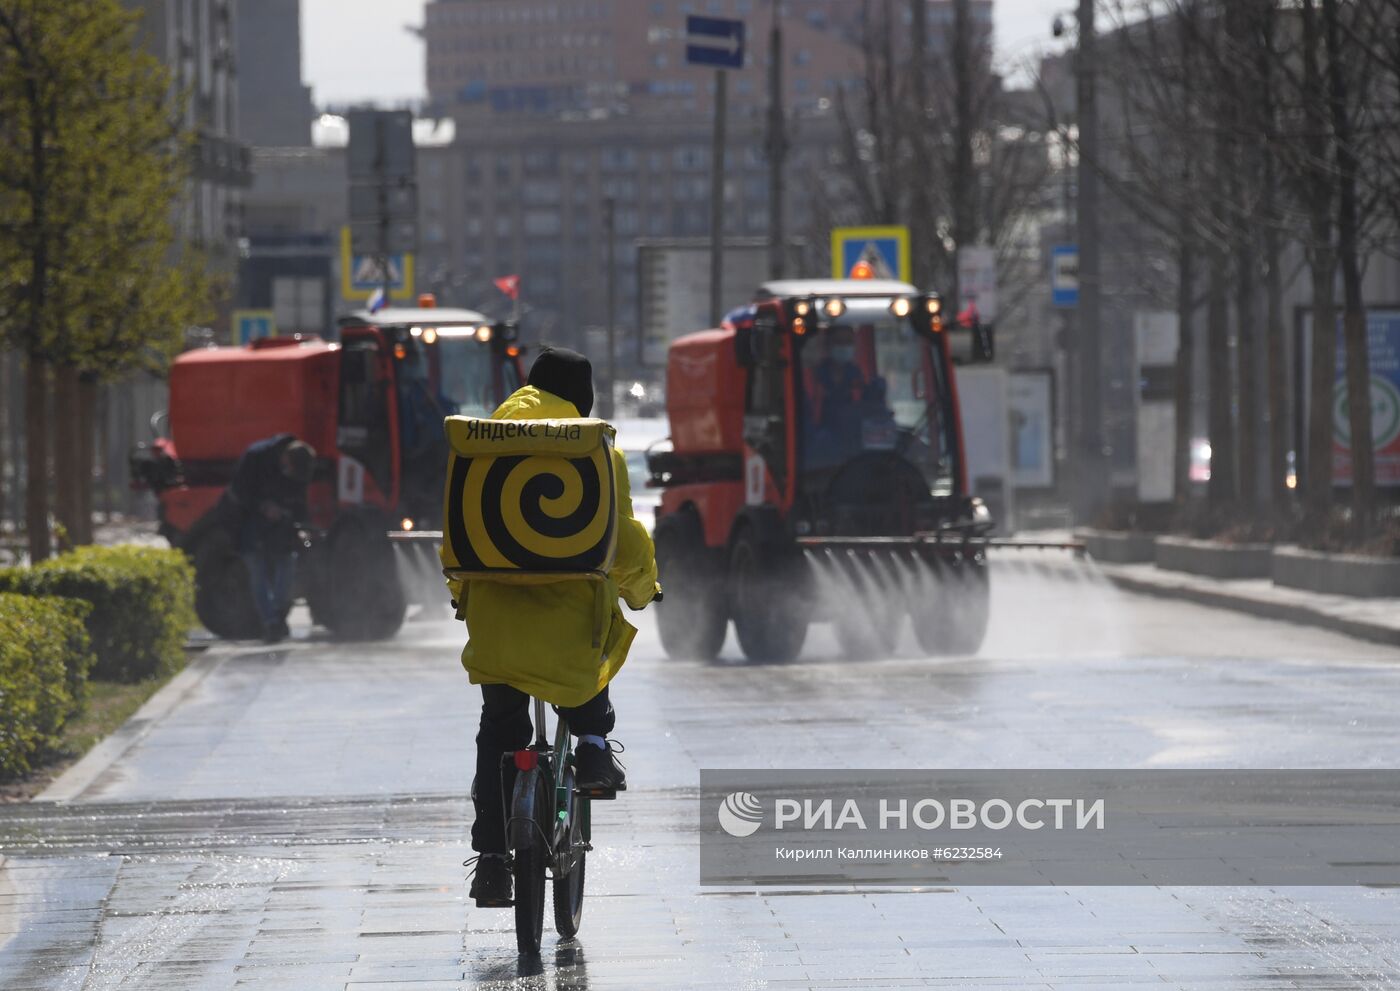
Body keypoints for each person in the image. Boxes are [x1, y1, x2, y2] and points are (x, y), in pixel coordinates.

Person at [449, 347, 659, 908]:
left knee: (499, 730)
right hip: (570, 621)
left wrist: (462, 596)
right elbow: (625, 540)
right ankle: (591, 744)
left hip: (496, 621)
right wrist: (642, 589)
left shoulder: (479, 440)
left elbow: (458, 534)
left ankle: (492, 859)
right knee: (595, 639)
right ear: (581, 397)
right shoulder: (593, 446)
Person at [226, 434, 315, 643]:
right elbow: (240, 491)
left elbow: (299, 499)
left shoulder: (300, 466)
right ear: (285, 459)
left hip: (280, 527)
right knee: (257, 572)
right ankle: (270, 623)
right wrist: (263, 506)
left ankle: (278, 613)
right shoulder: (256, 457)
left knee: (287, 563)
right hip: (249, 523)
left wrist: (303, 526)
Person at [805, 325, 891, 466]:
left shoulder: (864, 381)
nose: (844, 347)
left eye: (848, 342)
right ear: (828, 346)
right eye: (839, 341)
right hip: (816, 461)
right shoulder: (812, 379)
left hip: (856, 459)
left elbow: (877, 424)